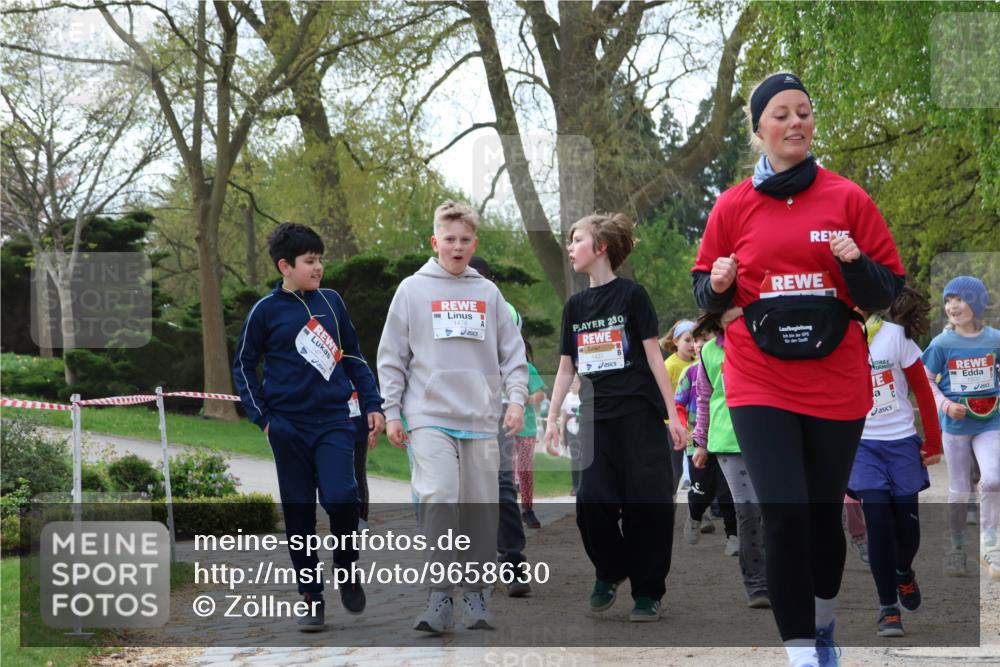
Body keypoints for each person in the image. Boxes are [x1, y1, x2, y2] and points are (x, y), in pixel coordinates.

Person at [692, 72, 905, 667]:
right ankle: (802, 655)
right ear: (759, 129)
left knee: (820, 519)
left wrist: (855, 262)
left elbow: (888, 291)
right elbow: (703, 294)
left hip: (836, 382)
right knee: (783, 513)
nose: (795, 123)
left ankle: (824, 621)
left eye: (804, 113)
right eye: (781, 114)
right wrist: (715, 285)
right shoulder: (733, 205)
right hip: (758, 377)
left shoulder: (847, 199)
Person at [377, 201, 528, 633]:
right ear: (435, 242)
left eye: (465, 240)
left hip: (480, 418)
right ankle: (439, 596)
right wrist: (392, 412)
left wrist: (515, 400)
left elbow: (513, 355)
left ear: (474, 243)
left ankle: (477, 596)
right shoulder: (411, 290)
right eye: (449, 240)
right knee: (440, 494)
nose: (457, 247)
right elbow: (392, 357)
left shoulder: (488, 294)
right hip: (427, 415)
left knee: (481, 509)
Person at [233, 222, 385, 632]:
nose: (318, 268)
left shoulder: (332, 302)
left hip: (336, 420)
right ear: (285, 266)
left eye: (320, 260)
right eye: (310, 261)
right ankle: (311, 595)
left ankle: (347, 567)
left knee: (342, 498)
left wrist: (372, 403)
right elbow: (244, 365)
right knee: (299, 514)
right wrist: (264, 420)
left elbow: (353, 356)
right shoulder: (264, 312)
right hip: (288, 427)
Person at [544, 212, 688, 623]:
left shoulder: (632, 296)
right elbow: (566, 368)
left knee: (648, 504)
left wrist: (673, 416)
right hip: (594, 418)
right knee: (592, 500)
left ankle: (647, 591)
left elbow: (654, 357)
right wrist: (552, 419)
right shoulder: (575, 306)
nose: (570, 247)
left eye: (576, 239)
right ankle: (610, 569)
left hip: (638, 415)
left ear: (600, 247)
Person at [846, 284, 943, 637]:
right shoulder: (836, 338)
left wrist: (933, 441)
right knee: (879, 525)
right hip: (863, 447)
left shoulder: (895, 336)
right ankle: (888, 608)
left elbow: (922, 390)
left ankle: (904, 572)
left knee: (908, 527)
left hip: (901, 442)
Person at [921, 275, 999, 580]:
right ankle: (956, 548)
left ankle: (990, 546)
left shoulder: (995, 339)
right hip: (955, 425)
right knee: (960, 490)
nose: (953, 306)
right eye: (949, 300)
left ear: (976, 304)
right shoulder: (941, 343)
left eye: (961, 299)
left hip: (991, 422)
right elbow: (925, 380)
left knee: (993, 480)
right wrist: (944, 404)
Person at [690, 308, 770, 608]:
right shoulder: (709, 351)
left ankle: (780, 575)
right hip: (727, 440)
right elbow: (704, 396)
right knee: (747, 510)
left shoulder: (765, 339)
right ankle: (757, 583)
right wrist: (700, 442)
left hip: (768, 436)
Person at [467, 254, 534, 597]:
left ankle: (513, 560)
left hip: (494, 407)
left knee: (500, 483)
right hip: (452, 410)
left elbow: (511, 359)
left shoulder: (503, 309)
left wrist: (517, 401)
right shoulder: (441, 301)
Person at [675, 331, 737, 552]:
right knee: (703, 491)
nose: (699, 345)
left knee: (727, 491)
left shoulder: (727, 362)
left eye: (704, 339)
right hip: (696, 442)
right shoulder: (689, 372)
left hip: (723, 438)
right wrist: (684, 428)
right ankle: (694, 516)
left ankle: (733, 536)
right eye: (694, 340)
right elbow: (678, 404)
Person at [661, 319, 698, 494]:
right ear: (675, 341)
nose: (692, 345)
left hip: (697, 423)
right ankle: (669, 506)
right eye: (687, 340)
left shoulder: (699, 362)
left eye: (695, 340)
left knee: (698, 468)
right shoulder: (669, 365)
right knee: (675, 470)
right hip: (672, 423)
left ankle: (700, 513)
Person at [515, 339, 547, 529]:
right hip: (501, 429)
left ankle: (527, 509)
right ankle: (506, 511)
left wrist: (527, 399)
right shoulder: (495, 366)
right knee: (505, 471)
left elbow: (540, 394)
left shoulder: (528, 368)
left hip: (526, 428)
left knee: (525, 470)